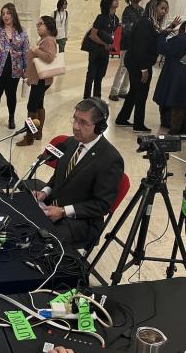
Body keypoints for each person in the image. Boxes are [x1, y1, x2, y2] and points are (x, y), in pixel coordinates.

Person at [33, 98, 124, 247]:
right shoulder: (70, 142)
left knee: (40, 242)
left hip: (81, 221)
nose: (75, 127)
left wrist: (63, 211)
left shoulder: (111, 159)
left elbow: (102, 205)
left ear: (99, 127)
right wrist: (45, 192)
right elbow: (59, 177)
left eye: (83, 122)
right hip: (55, 204)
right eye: (75, 119)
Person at [115, 0, 181, 132]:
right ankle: (138, 124)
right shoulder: (145, 23)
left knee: (134, 92)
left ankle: (122, 119)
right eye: (162, 8)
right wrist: (144, 68)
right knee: (141, 93)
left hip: (137, 61)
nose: (164, 11)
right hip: (139, 63)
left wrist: (171, 27)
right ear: (153, 8)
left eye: (166, 9)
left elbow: (154, 37)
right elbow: (141, 47)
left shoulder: (149, 22)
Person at [0, 3, 29, 130]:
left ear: (13, 14)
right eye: (3, 13)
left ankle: (11, 118)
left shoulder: (21, 30)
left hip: (14, 68)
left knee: (11, 94)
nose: (5, 16)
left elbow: (26, 50)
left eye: (8, 13)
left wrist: (26, 68)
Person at [16, 15, 57, 147]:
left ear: (49, 26)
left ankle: (29, 136)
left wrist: (35, 50)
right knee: (39, 105)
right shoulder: (44, 39)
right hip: (40, 79)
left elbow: (50, 57)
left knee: (31, 107)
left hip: (41, 80)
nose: (38, 27)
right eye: (37, 24)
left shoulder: (49, 40)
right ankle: (38, 133)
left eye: (41, 24)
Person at [109, 0, 143, 101]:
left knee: (131, 68)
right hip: (127, 43)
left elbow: (143, 26)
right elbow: (127, 28)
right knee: (123, 67)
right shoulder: (127, 11)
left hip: (137, 44)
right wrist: (137, 27)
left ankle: (123, 91)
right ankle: (114, 92)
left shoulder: (142, 11)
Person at [83, 0, 119, 99]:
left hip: (105, 51)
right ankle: (86, 98)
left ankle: (97, 98)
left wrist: (109, 45)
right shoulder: (101, 17)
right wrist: (104, 44)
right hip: (95, 50)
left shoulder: (116, 19)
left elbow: (110, 35)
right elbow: (92, 35)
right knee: (91, 75)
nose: (117, 1)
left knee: (100, 75)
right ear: (108, 3)